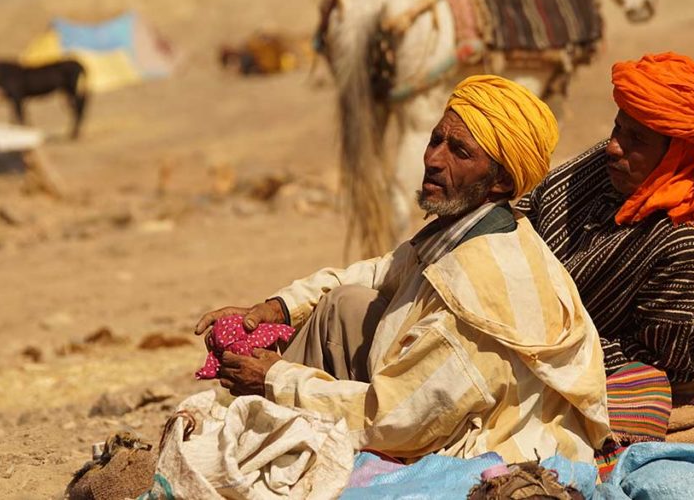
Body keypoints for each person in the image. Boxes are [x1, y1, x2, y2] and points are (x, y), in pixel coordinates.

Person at [195, 75, 609, 464]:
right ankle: (252, 439)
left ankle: (249, 447)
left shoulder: (473, 304)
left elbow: (392, 419)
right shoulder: (477, 226)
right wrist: (279, 307)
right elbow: (383, 271)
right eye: (436, 140)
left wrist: (275, 379)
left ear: (500, 181)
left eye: (459, 151)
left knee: (280, 420)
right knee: (344, 302)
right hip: (422, 408)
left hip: (482, 448)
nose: (432, 159)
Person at [515, 52, 694, 461]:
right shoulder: (612, 164)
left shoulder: (691, 250)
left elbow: (663, 368)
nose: (614, 147)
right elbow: (533, 205)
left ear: (676, 154)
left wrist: (544, 341)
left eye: (636, 141)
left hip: (570, 365)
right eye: (618, 129)